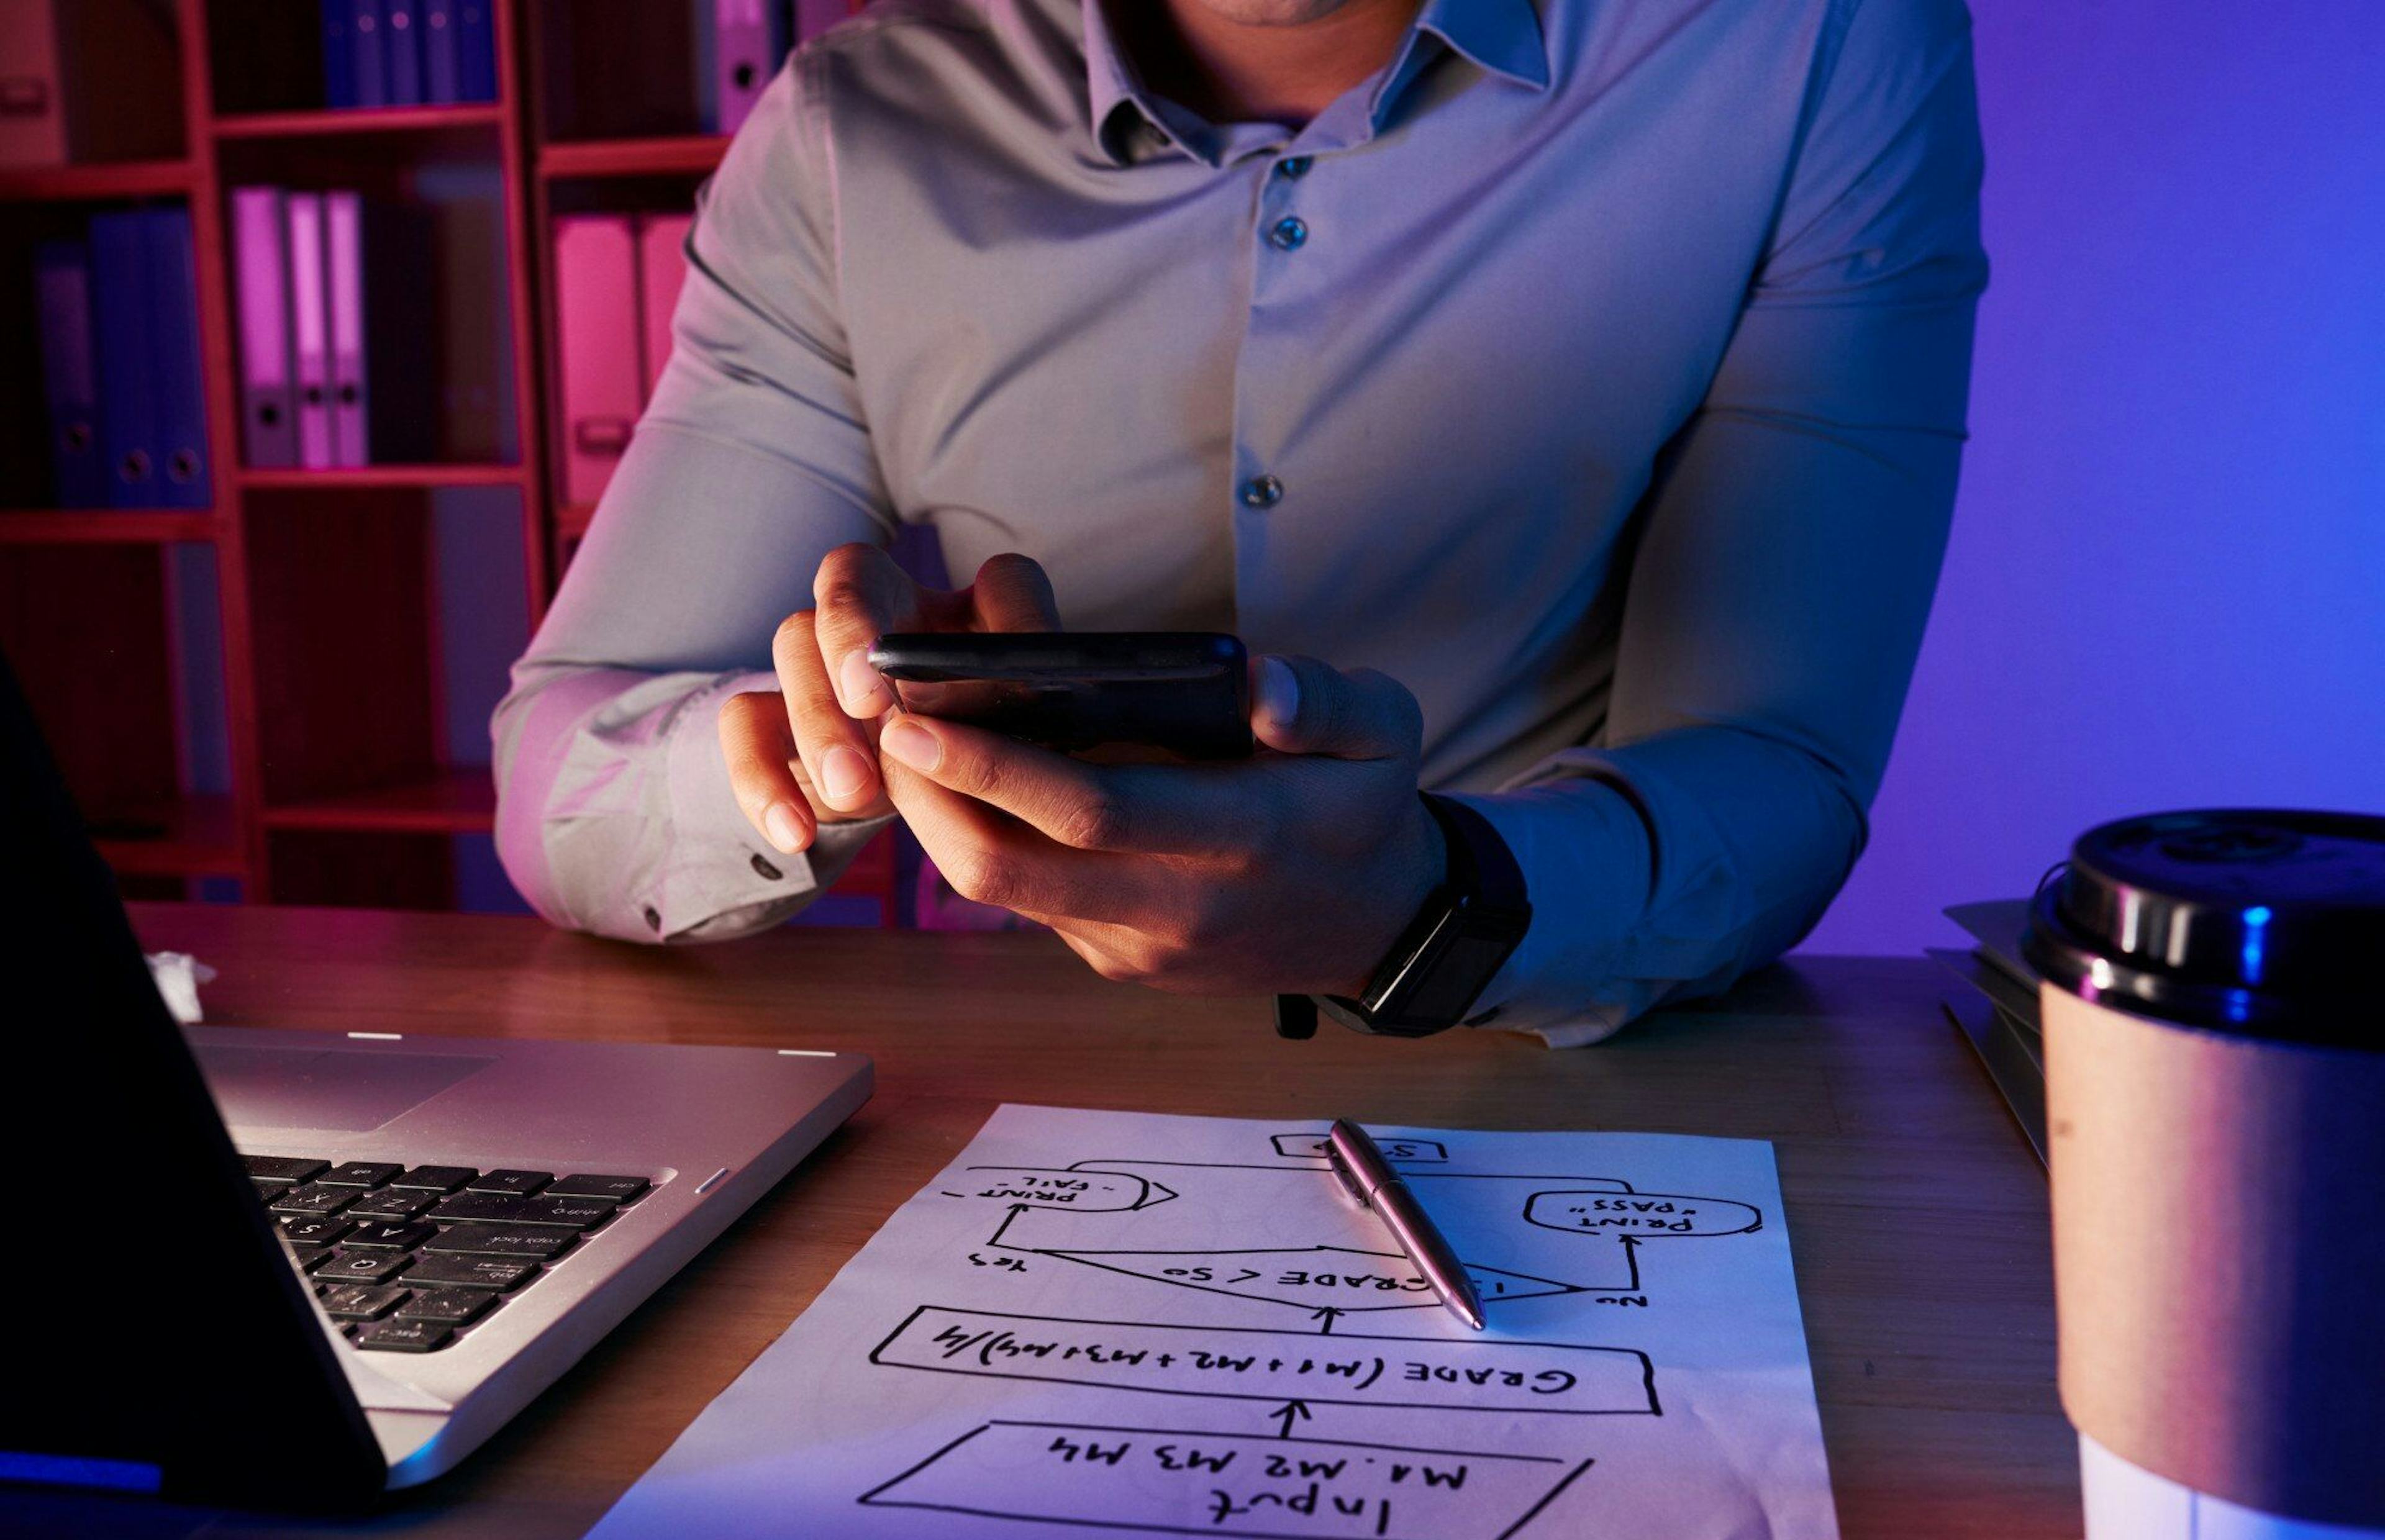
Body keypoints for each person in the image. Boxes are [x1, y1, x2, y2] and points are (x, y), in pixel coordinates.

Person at [494, 0, 1987, 1045]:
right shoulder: (851, 133)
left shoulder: (1810, 43)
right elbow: (559, 771)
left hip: (1543, 1053)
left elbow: (1777, 772)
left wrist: (1428, 910)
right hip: (1018, 1108)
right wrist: (785, 763)